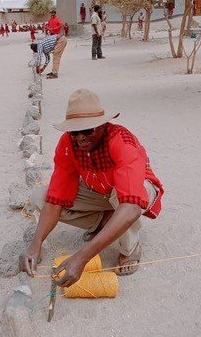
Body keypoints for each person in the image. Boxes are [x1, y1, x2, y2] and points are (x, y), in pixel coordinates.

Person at [19, 89, 164, 286]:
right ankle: (102, 222)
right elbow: (55, 198)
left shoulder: (121, 140)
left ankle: (130, 248)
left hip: (136, 193)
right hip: (99, 191)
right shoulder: (68, 144)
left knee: (121, 198)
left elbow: (130, 205)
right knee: (41, 196)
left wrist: (82, 257)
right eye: (75, 131)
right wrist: (34, 245)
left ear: (103, 125)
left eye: (87, 130)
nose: (81, 138)